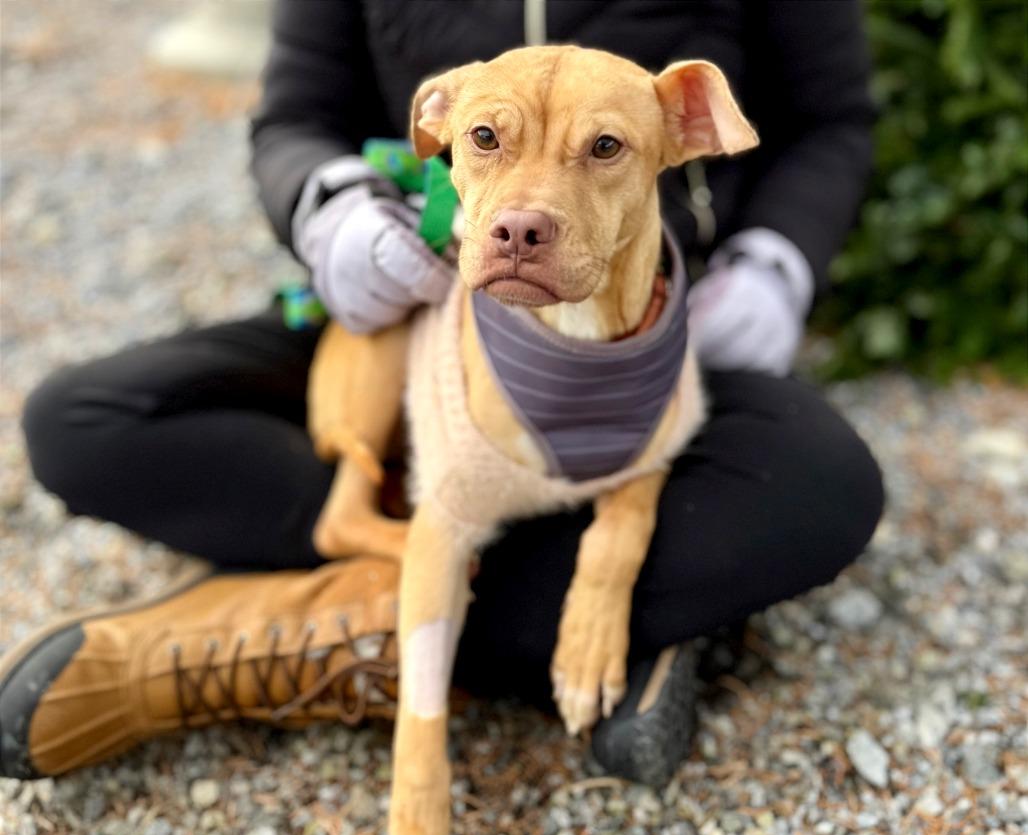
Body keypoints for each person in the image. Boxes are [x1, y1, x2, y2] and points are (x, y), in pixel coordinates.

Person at [1, 0, 882, 786]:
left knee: (823, 486)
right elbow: (296, 118)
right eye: (487, 137)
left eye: (604, 147)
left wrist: (777, 263)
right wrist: (331, 208)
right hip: (416, 289)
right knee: (82, 422)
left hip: (652, 325)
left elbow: (832, 116)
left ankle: (309, 627)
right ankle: (559, 619)